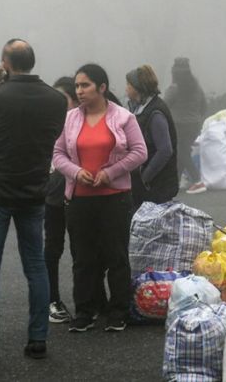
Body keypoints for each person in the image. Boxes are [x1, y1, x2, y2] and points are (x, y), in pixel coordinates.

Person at [0, 39, 67, 362]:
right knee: (35, 265)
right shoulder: (56, 100)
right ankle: (37, 339)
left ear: (5, 63)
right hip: (33, 191)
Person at [53, 64, 147, 333]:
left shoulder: (124, 117)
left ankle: (118, 311)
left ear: (102, 87)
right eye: (77, 86)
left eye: (85, 85)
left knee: (116, 255)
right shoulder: (70, 118)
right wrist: (75, 171)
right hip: (79, 199)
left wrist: (111, 173)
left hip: (114, 198)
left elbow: (140, 152)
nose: (79, 91)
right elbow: (58, 154)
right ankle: (85, 311)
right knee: (83, 258)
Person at [44, 77, 79, 325]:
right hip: (54, 192)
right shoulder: (47, 121)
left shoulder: (85, 120)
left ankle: (89, 299)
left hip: (82, 191)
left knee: (85, 248)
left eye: (61, 99)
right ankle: (52, 299)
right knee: (53, 246)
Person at [125, 65, 179, 206]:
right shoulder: (138, 108)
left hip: (156, 186)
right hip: (146, 186)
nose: (126, 88)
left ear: (137, 88)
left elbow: (165, 150)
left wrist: (145, 177)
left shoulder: (155, 113)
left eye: (129, 85)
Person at [163, 57, 207, 194]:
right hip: (194, 126)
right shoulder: (196, 87)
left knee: (181, 152)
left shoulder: (174, 88)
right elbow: (204, 106)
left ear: (174, 73)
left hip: (179, 126)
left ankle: (197, 180)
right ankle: (174, 183)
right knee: (182, 152)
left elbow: (164, 106)